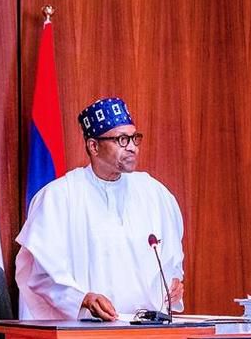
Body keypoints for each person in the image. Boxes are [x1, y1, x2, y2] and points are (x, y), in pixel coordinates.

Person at [15, 97, 185, 321]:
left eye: (134, 138)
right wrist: (82, 299)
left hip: (148, 328)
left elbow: (172, 260)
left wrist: (174, 282)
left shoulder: (154, 193)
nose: (132, 147)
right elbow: (41, 275)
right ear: (93, 146)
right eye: (122, 140)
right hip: (87, 330)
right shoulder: (59, 197)